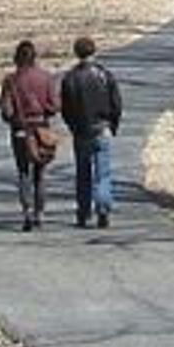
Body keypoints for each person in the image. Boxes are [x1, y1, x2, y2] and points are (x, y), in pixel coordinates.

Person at [59, 34, 124, 229]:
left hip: (81, 131)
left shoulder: (70, 78)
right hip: (102, 128)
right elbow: (116, 103)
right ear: (94, 51)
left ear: (76, 53)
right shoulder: (104, 75)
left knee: (83, 173)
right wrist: (113, 124)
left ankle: (83, 211)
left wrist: (72, 126)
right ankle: (103, 209)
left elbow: (66, 108)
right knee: (103, 173)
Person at [0, 37, 61, 231]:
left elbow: (7, 111)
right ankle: (40, 213)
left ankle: (26, 210)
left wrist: (13, 118)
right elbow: (54, 106)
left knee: (23, 171)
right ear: (35, 58)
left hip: (20, 130)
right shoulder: (46, 77)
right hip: (41, 128)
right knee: (40, 173)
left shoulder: (11, 80)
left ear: (16, 58)